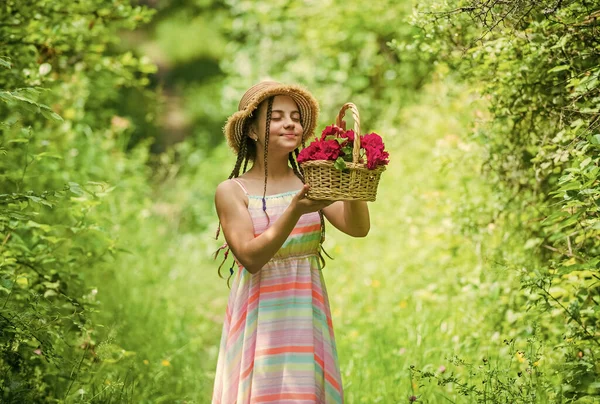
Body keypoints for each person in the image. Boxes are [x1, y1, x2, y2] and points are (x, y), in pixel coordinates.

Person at [212, 81, 370, 403]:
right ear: (253, 131)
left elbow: (358, 228)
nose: (290, 124)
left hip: (305, 308)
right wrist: (295, 209)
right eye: (277, 117)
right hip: (262, 315)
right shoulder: (232, 191)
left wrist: (354, 179)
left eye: (296, 117)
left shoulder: (312, 181)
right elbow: (251, 258)